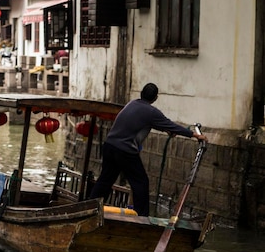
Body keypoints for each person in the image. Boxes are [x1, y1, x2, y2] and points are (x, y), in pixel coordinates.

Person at [88, 82, 208, 217]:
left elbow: (146, 122)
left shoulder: (131, 104)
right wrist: (195, 135)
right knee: (141, 182)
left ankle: (90, 209)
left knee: (106, 179)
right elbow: (170, 125)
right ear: (155, 98)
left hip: (110, 146)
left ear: (141, 94)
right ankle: (142, 217)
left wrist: (165, 129)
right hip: (125, 150)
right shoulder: (151, 112)